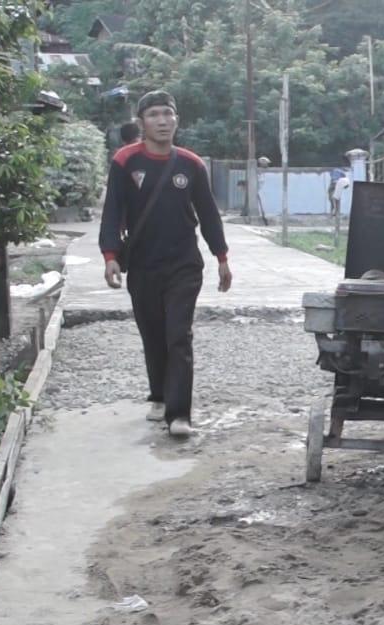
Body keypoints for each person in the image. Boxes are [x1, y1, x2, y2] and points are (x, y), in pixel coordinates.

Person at [98, 90, 232, 438]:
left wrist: (222, 258)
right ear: (141, 122)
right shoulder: (126, 162)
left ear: (177, 120)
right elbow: (112, 211)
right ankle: (158, 394)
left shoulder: (191, 164)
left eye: (168, 114)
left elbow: (209, 215)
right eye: (154, 114)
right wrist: (110, 256)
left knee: (178, 336)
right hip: (142, 264)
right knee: (153, 334)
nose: (162, 121)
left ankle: (179, 414)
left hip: (184, 264)